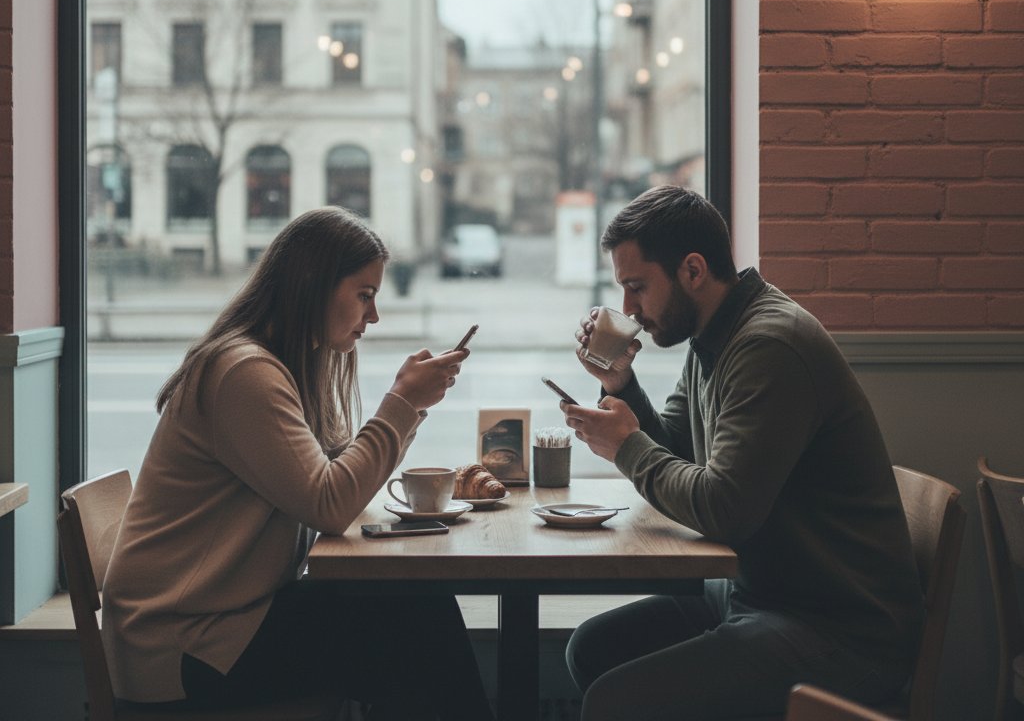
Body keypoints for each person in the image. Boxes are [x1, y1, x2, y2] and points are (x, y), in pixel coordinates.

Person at [101, 206, 494, 721]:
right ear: (313, 284)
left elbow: (333, 483)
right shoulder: (244, 372)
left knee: (412, 613)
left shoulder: (280, 363)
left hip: (221, 622)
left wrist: (410, 406)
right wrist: (402, 402)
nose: (373, 317)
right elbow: (330, 505)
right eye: (365, 295)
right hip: (185, 645)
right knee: (418, 621)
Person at [561, 186, 925, 721]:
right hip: (761, 595)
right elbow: (681, 452)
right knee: (593, 647)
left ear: (692, 270)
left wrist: (626, 446)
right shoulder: (713, 336)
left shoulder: (768, 344)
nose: (628, 309)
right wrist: (622, 385)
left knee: (617, 701)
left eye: (637, 287)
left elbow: (724, 508)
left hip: (840, 629)